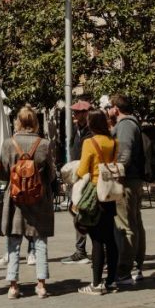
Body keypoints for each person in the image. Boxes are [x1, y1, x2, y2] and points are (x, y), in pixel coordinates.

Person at [0, 105, 56, 299]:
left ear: (18, 121)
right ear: (35, 122)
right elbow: (51, 174)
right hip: (39, 199)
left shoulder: (9, 143)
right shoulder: (44, 144)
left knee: (14, 241)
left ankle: (13, 286)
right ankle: (41, 284)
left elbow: (4, 173)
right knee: (40, 240)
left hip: (15, 199)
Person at [75, 109, 120, 295]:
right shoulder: (113, 142)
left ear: (91, 124)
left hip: (94, 191)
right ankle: (111, 281)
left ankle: (96, 283)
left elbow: (82, 169)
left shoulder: (89, 142)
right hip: (109, 193)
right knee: (110, 238)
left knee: (96, 239)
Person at [106, 94, 147, 286]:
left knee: (126, 226)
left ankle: (124, 271)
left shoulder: (125, 125)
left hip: (127, 181)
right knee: (135, 223)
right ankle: (136, 266)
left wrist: (116, 176)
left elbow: (124, 153)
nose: (108, 110)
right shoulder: (132, 124)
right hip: (134, 180)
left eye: (109, 107)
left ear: (116, 108)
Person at [62, 100, 92, 265]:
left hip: (88, 177)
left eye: (78, 112)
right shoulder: (76, 129)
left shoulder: (92, 131)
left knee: (86, 213)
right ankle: (80, 251)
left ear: (86, 113)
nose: (74, 114)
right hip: (77, 176)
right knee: (76, 213)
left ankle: (88, 251)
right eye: (74, 112)